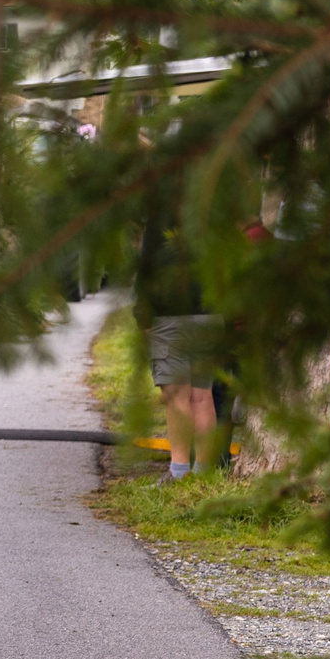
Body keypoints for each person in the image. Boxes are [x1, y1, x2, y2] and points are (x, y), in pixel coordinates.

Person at [136, 181, 226, 479]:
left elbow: (147, 268)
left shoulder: (160, 218)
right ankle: (204, 472)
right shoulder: (212, 215)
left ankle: (179, 472)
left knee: (178, 397)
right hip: (209, 314)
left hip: (170, 315)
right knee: (202, 396)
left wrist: (142, 315)